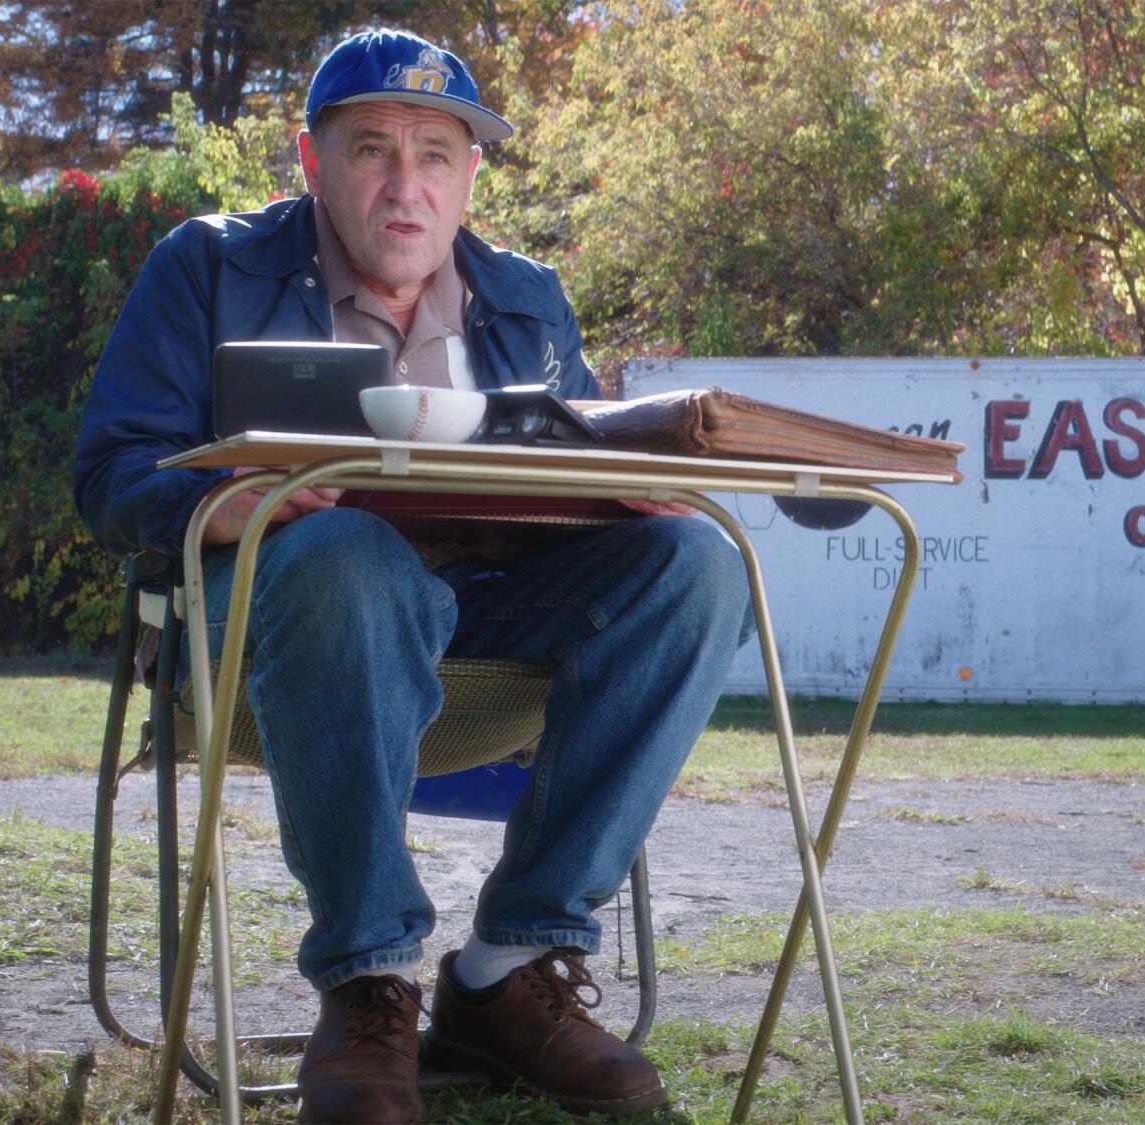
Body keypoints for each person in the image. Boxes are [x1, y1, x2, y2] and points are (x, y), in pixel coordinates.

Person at [72, 29, 750, 1123]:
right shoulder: (205, 265)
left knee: (696, 566)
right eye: (371, 149)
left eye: (435, 155)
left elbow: (572, 469)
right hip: (270, 636)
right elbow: (109, 470)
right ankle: (366, 980)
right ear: (310, 159)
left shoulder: (527, 295)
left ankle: (507, 973)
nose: (405, 185)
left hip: (488, 620)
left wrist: (619, 494)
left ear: (471, 174)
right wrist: (212, 505)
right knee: (346, 555)